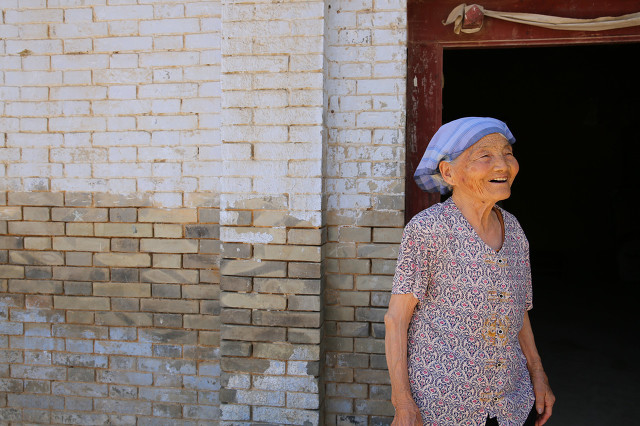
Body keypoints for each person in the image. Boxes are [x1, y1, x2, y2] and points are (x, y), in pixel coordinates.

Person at [385, 117, 555, 426]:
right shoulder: (428, 229)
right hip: (443, 403)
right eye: (484, 156)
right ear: (449, 172)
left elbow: (519, 311)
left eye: (506, 153)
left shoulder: (514, 231)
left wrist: (538, 374)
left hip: (510, 404)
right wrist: (402, 403)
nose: (502, 164)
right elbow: (396, 320)